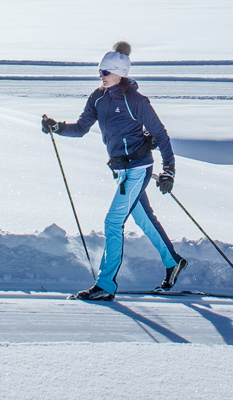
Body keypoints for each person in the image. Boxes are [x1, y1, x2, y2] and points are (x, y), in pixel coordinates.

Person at [41, 40, 189, 301]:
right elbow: (81, 128)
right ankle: (172, 262)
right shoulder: (97, 97)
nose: (101, 76)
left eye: (106, 72)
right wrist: (58, 127)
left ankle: (105, 285)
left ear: (120, 73)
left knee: (112, 222)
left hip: (138, 168)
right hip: (121, 171)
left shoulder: (135, 100)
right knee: (143, 218)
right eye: (100, 71)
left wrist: (169, 171)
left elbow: (161, 135)